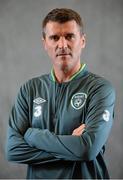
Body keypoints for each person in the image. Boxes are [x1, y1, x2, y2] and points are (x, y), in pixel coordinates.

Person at [6, 8, 115, 179]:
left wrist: (32, 135)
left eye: (70, 36)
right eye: (54, 37)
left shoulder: (100, 89)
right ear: (44, 43)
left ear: (83, 41)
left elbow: (87, 149)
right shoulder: (30, 89)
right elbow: (13, 150)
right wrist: (73, 147)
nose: (62, 44)